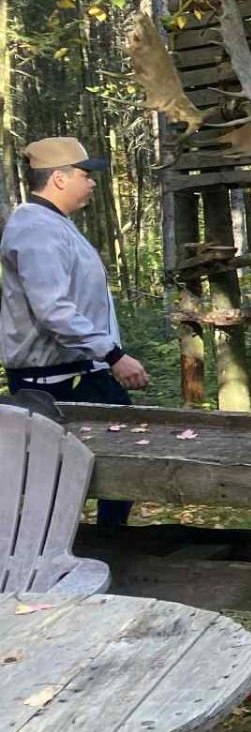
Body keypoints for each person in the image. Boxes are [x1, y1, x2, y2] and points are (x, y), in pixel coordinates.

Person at [2, 138, 149, 528]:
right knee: (52, 484)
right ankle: (53, 552)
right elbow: (53, 309)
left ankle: (110, 544)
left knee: (122, 464)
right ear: (59, 178)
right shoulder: (35, 229)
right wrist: (113, 354)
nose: (93, 182)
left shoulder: (54, 224)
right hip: (53, 383)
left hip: (82, 372)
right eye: (86, 175)